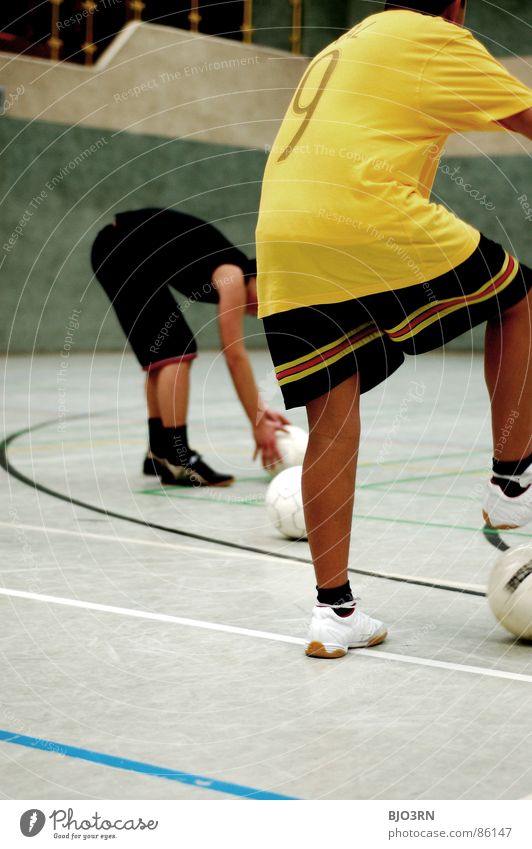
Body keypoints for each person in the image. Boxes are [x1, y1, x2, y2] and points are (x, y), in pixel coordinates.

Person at [256, 0, 532, 658]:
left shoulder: (349, 43)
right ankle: (511, 485)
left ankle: (333, 612)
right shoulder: (436, 38)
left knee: (332, 408)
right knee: (519, 299)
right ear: (457, 7)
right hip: (361, 210)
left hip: (282, 233)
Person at [91, 208, 289, 486]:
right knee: (176, 347)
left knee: (165, 351)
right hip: (121, 246)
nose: (260, 308)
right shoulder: (234, 275)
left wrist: (259, 411)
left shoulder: (232, 271)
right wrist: (257, 423)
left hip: (120, 247)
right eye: (266, 297)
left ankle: (159, 451)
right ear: (258, 276)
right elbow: (234, 355)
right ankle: (177, 457)